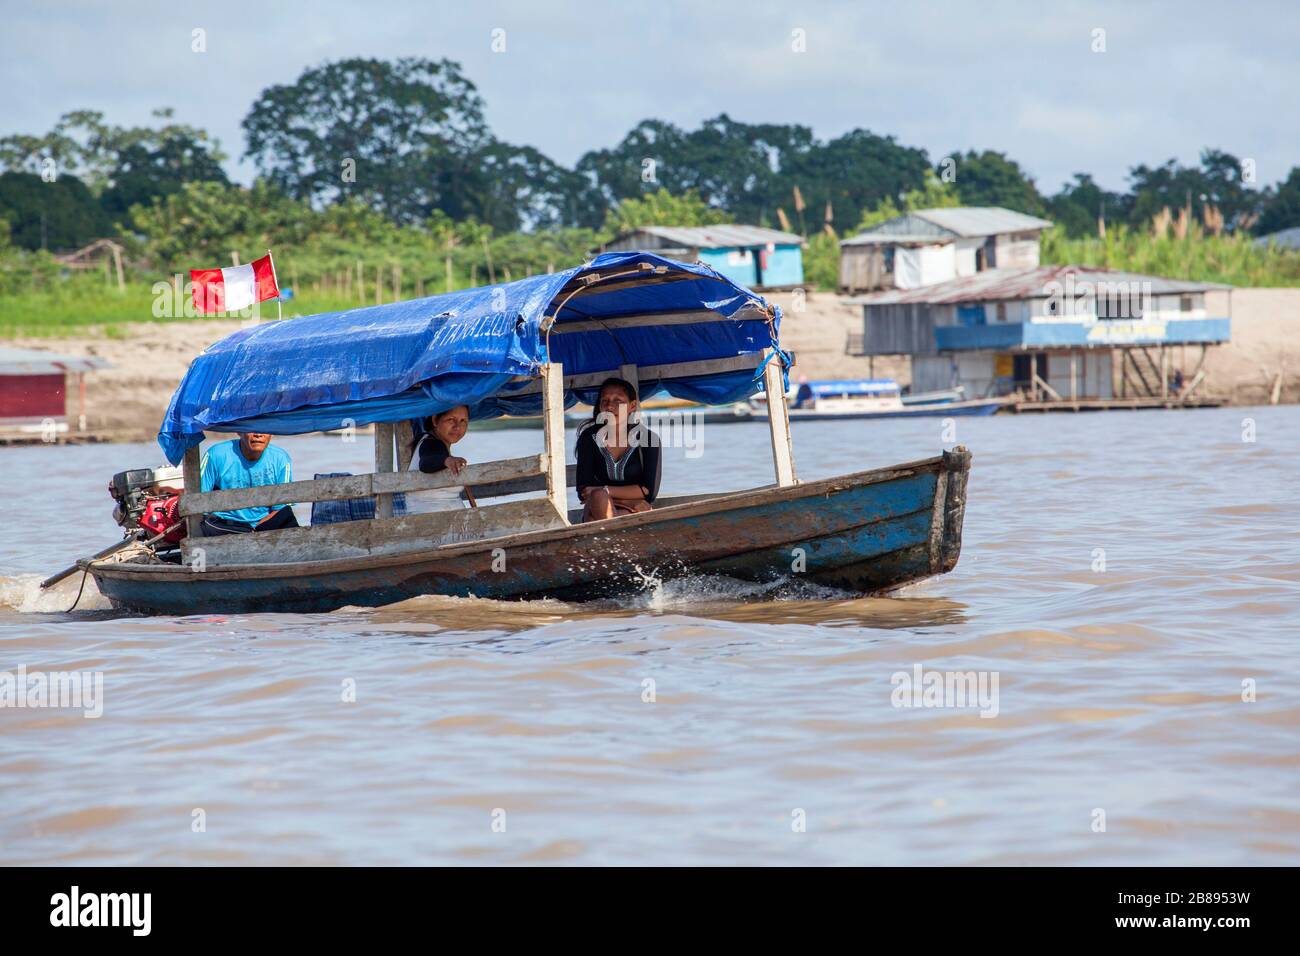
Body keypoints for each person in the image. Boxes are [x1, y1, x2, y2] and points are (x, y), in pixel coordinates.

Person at [575, 378, 661, 522]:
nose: (609, 406)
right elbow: (584, 491)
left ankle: (612, 541)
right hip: (597, 508)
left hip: (634, 513)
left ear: (632, 406)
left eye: (618, 401)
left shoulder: (648, 439)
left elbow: (649, 491)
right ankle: (615, 541)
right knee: (599, 497)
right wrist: (629, 500)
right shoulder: (589, 438)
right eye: (605, 401)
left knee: (601, 495)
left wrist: (607, 490)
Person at [199, 433, 298, 535]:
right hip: (226, 525)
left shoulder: (281, 458)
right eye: (252, 429)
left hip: (264, 524)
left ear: (271, 433)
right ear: (239, 431)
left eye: (263, 430)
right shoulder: (216, 454)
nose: (258, 434)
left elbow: (281, 508)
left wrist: (255, 531)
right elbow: (199, 501)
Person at [405, 405, 471, 514]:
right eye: (451, 420)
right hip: (431, 524)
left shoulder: (436, 445)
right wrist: (446, 461)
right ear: (435, 420)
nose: (457, 427)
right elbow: (427, 462)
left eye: (463, 421)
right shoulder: (430, 443)